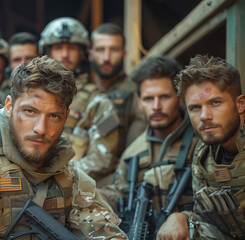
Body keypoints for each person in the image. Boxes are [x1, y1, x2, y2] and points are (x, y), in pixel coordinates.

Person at [0, 56, 127, 239]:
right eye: (30, 112)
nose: (41, 128)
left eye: (54, 116)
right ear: (9, 107)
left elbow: (108, 233)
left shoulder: (69, 176)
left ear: (65, 118)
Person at [99, 56, 198, 238]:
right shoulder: (132, 153)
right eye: (148, 99)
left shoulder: (201, 140)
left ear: (180, 98)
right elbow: (121, 193)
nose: (156, 106)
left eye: (164, 97)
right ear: (139, 103)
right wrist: (96, 197)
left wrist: (186, 218)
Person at [157, 55, 245, 239]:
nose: (205, 116)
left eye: (215, 103)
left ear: (240, 104)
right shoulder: (204, 156)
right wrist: (181, 217)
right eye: (195, 108)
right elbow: (209, 222)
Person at [40, 17, 120, 183]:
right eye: (58, 47)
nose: (65, 54)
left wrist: (54, 177)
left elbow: (102, 159)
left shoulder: (100, 102)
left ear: (82, 53)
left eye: (72, 48)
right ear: (48, 51)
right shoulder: (33, 96)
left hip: (72, 185)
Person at [89, 23, 146, 158]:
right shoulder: (85, 92)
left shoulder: (135, 92)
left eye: (114, 50)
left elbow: (133, 151)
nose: (107, 57)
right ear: (91, 55)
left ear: (124, 54)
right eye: (100, 50)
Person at [0, 32, 38, 104]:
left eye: (29, 58)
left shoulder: (53, 87)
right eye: (17, 60)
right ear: (9, 64)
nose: (23, 64)